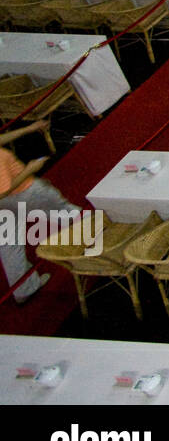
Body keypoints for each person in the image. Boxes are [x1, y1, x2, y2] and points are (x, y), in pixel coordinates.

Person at [0, 120, 73, 305]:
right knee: (67, 212)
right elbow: (4, 191)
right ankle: (104, 245)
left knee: (9, 246)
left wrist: (28, 129)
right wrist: (31, 169)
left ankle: (24, 289)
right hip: (24, 191)